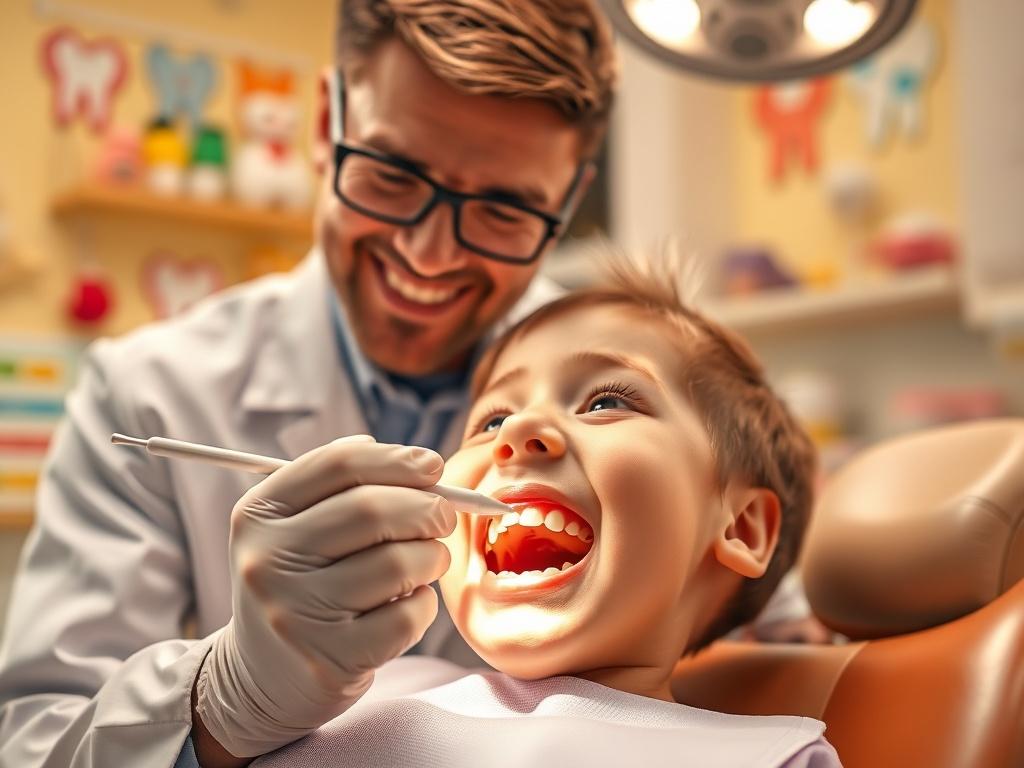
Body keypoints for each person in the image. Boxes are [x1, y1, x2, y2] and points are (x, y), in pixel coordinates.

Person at [0, 2, 616, 767]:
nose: (427, 256)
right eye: (392, 174)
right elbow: (31, 744)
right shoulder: (146, 391)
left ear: (566, 196)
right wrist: (222, 703)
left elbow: (762, 627)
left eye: (504, 210)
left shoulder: (634, 376)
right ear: (329, 119)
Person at [246, 250, 839, 767]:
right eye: (493, 419)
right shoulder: (353, 692)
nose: (520, 429)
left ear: (740, 526)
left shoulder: (761, 758)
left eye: (606, 400)